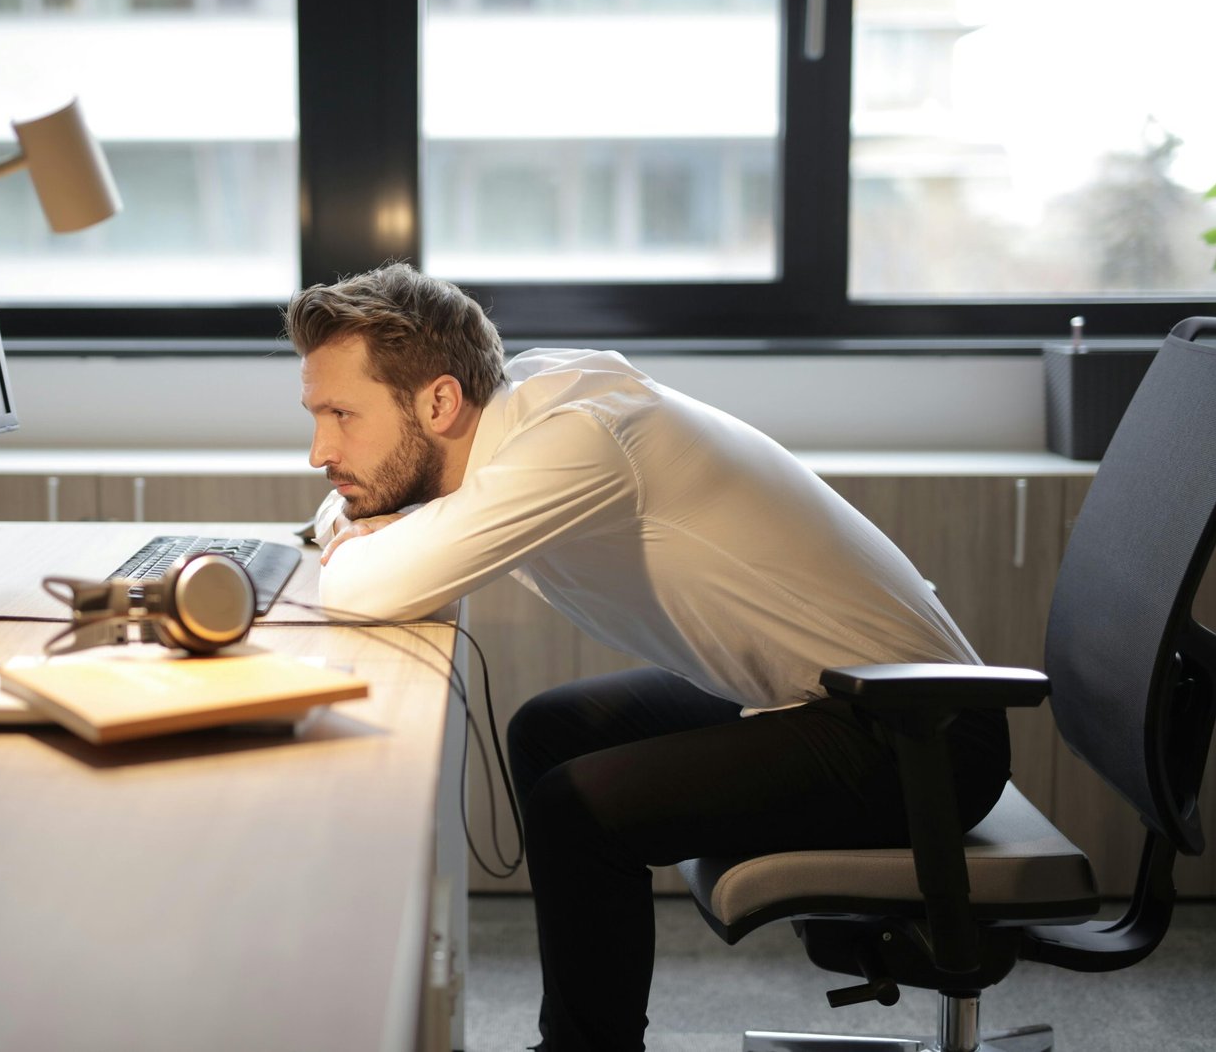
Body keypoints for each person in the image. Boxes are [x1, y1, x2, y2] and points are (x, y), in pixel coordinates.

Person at [288, 262, 1010, 1051]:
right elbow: (348, 519)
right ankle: (580, 1034)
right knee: (549, 729)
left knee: (578, 807)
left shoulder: (576, 441)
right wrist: (359, 526)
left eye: (342, 414)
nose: (320, 448)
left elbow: (363, 586)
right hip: (826, 695)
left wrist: (361, 538)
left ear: (439, 401)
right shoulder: (525, 402)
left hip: (920, 730)